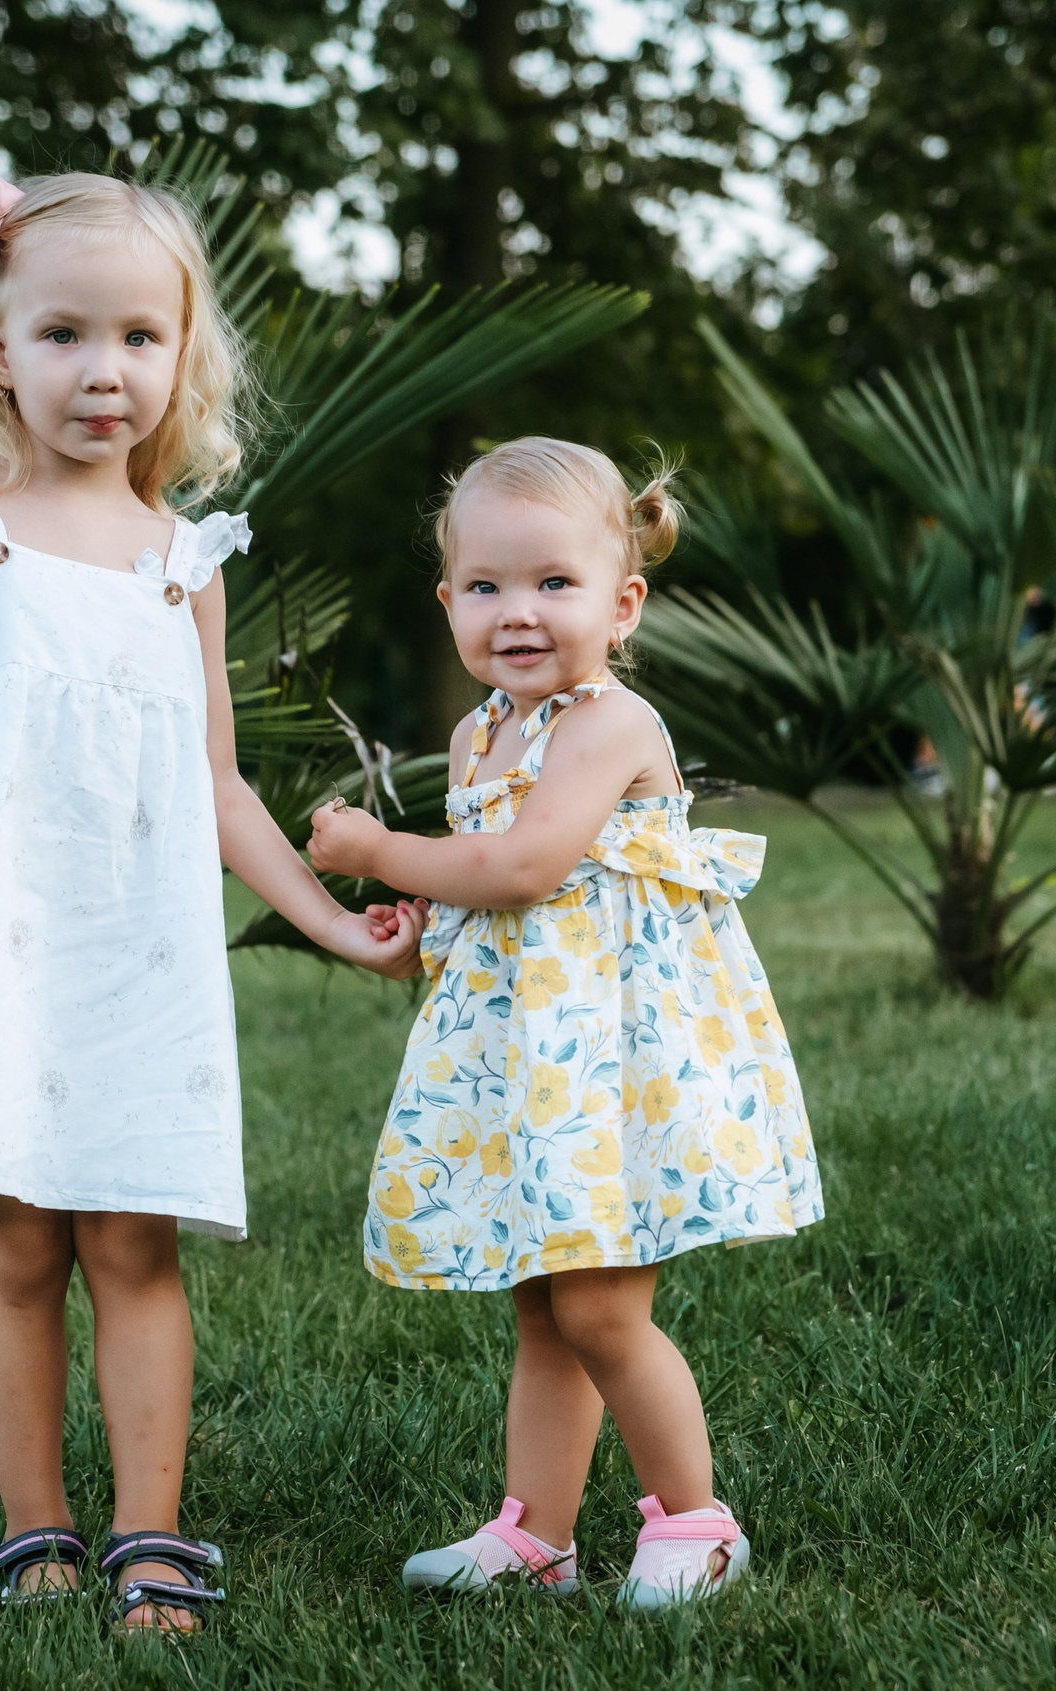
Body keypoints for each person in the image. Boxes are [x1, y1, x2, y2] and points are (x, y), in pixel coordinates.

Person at [0, 171, 421, 1634]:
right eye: (65, 333)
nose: (104, 370)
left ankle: (152, 1535)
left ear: (181, 354)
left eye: (140, 336)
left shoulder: (183, 564)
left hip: (136, 958)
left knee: (136, 1247)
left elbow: (217, 783)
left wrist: (334, 922)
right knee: (18, 1247)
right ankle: (37, 1529)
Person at [307, 438, 822, 1610]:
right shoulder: (477, 733)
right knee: (543, 1301)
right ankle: (535, 1534)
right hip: (536, 1054)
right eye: (485, 585)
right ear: (447, 602)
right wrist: (421, 927)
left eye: (554, 581)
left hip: (615, 1062)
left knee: (598, 1302)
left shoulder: (607, 720)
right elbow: (487, 894)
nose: (518, 611)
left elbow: (526, 866)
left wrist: (379, 848)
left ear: (621, 604)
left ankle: (697, 1520)